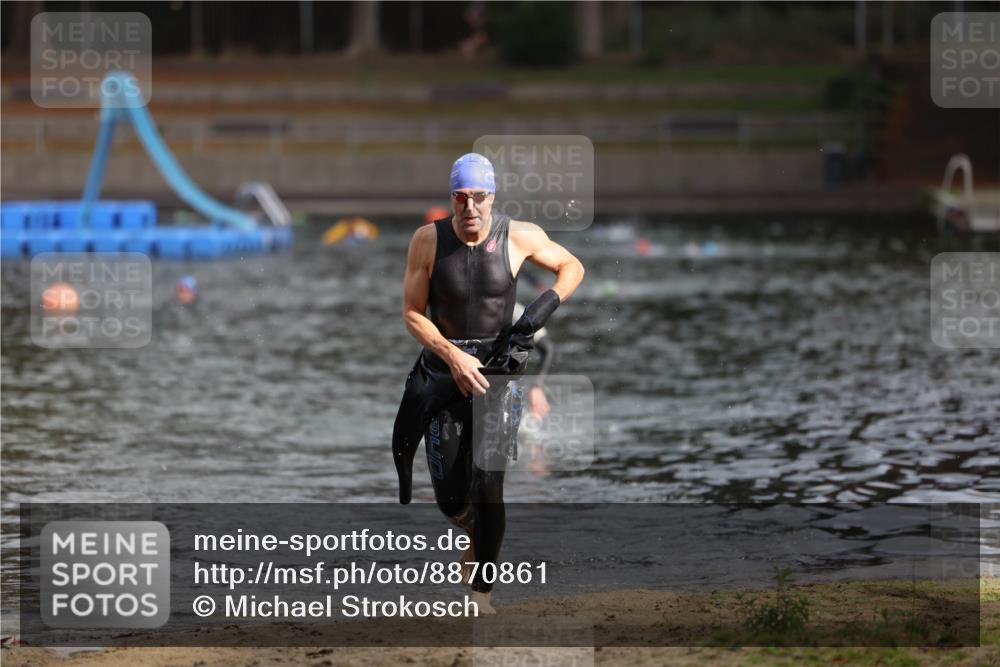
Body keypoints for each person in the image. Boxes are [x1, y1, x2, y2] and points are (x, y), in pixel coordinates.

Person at [392, 153, 584, 614]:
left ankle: (482, 595)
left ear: (492, 197)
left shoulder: (520, 235)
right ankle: (472, 529)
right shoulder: (427, 241)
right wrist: (453, 355)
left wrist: (540, 311)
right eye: (461, 197)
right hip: (444, 375)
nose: (470, 207)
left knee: (488, 486)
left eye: (478, 196)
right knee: (450, 499)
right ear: (451, 198)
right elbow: (412, 313)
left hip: (497, 381)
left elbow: (572, 267)